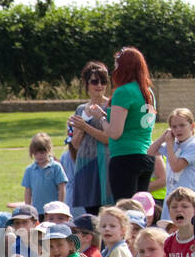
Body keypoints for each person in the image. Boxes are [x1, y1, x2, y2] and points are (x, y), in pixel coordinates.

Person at [95, 46, 158, 200]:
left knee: (126, 210)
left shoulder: (123, 91)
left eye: (117, 65)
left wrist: (100, 117)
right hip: (146, 157)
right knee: (140, 209)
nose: (114, 69)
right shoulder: (148, 92)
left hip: (125, 157)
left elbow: (115, 132)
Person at [67, 61, 113, 214]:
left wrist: (86, 126)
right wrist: (81, 127)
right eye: (94, 81)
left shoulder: (111, 106)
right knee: (90, 213)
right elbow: (75, 143)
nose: (99, 85)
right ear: (86, 84)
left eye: (103, 81)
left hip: (105, 164)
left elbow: (108, 138)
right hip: (85, 164)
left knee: (106, 210)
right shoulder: (80, 109)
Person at [149, 108, 195, 198]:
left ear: (192, 126)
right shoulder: (174, 143)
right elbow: (150, 152)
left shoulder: (193, 145)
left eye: (182, 125)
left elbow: (176, 167)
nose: (178, 129)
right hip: (171, 196)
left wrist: (169, 145)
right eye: (174, 127)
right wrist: (163, 137)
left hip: (186, 197)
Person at [22, 133, 68, 211]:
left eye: (42, 153)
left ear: (48, 150)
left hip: (53, 210)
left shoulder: (56, 167)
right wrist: (28, 208)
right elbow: (28, 191)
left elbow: (61, 188)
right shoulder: (29, 170)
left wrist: (60, 206)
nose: (39, 156)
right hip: (37, 209)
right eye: (35, 153)